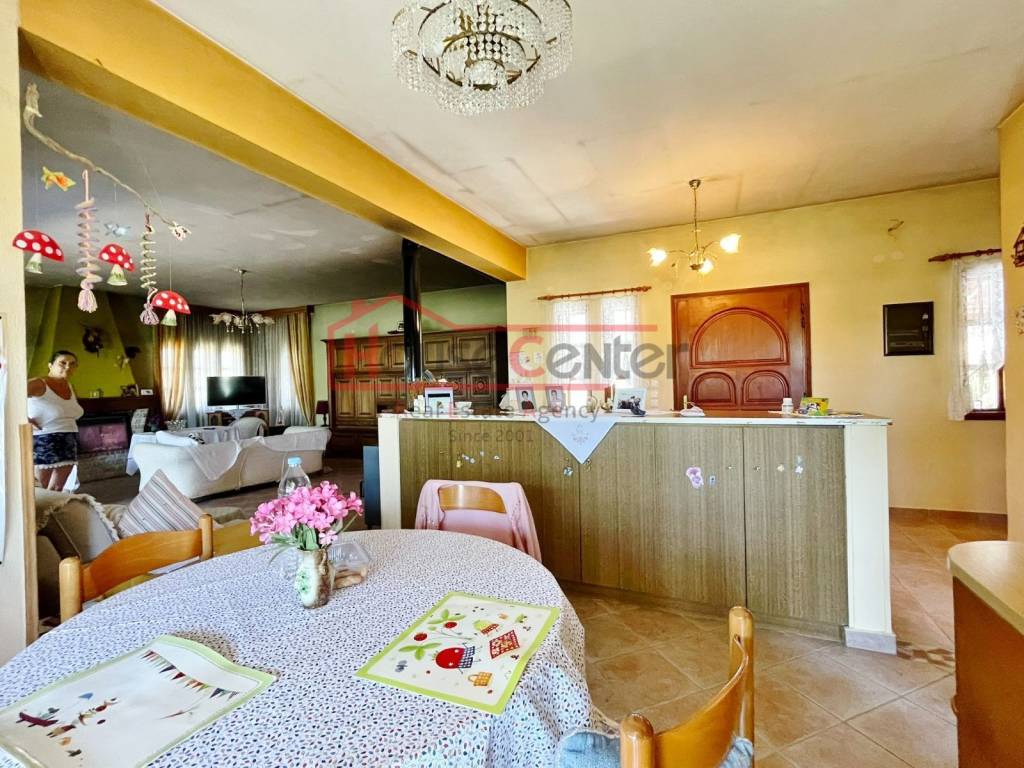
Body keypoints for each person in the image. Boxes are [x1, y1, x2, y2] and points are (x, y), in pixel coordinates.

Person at [27, 350, 84, 491]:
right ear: (50, 365)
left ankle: (52, 507)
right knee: (38, 489)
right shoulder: (38, 383)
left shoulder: (70, 387)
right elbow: (7, 395)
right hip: (44, 439)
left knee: (57, 488)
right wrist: (23, 419)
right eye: (62, 363)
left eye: (72, 364)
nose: (68, 367)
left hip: (69, 438)